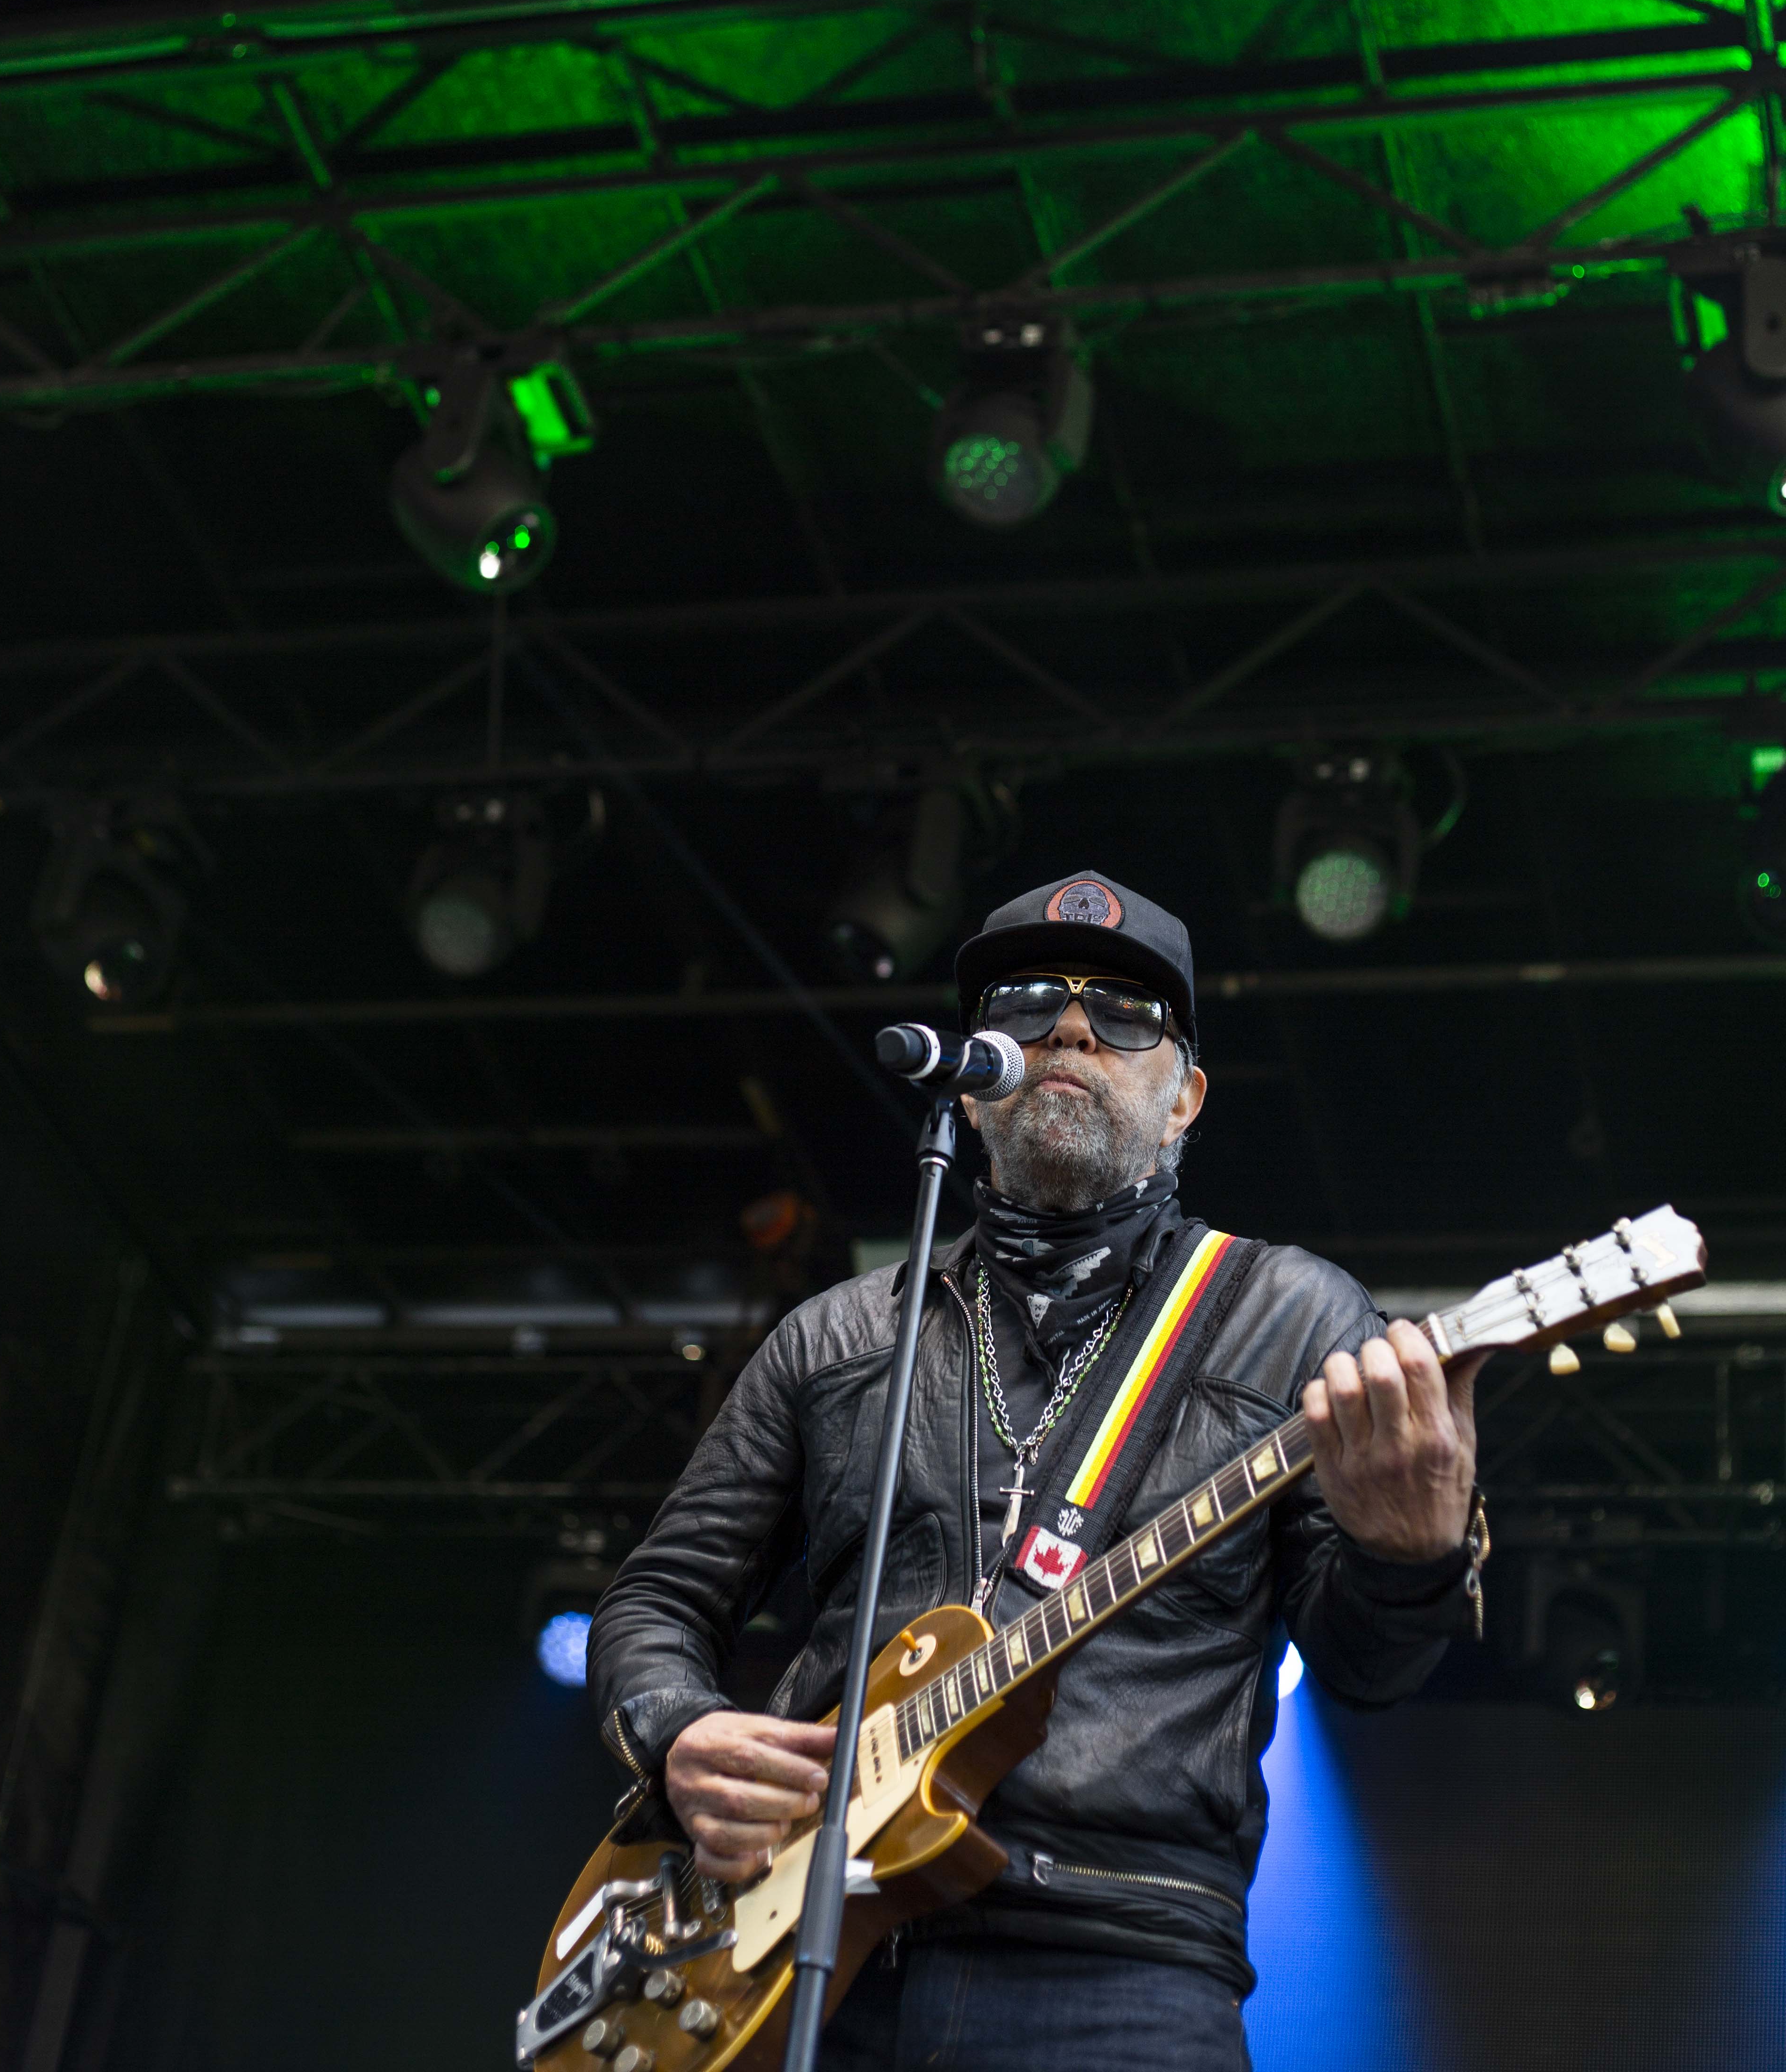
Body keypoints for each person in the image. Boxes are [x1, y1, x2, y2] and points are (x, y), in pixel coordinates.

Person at [588, 872, 1486, 2072]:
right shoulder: (842, 1334)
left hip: (1124, 1957)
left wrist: (1410, 1553)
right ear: (971, 1079)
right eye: (1026, 1004)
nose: (1070, 1028)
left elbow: (1372, 1673)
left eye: (1125, 1014)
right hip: (808, 1945)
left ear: (1186, 1100)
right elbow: (656, 1600)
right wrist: (678, 1731)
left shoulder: (1290, 1315)